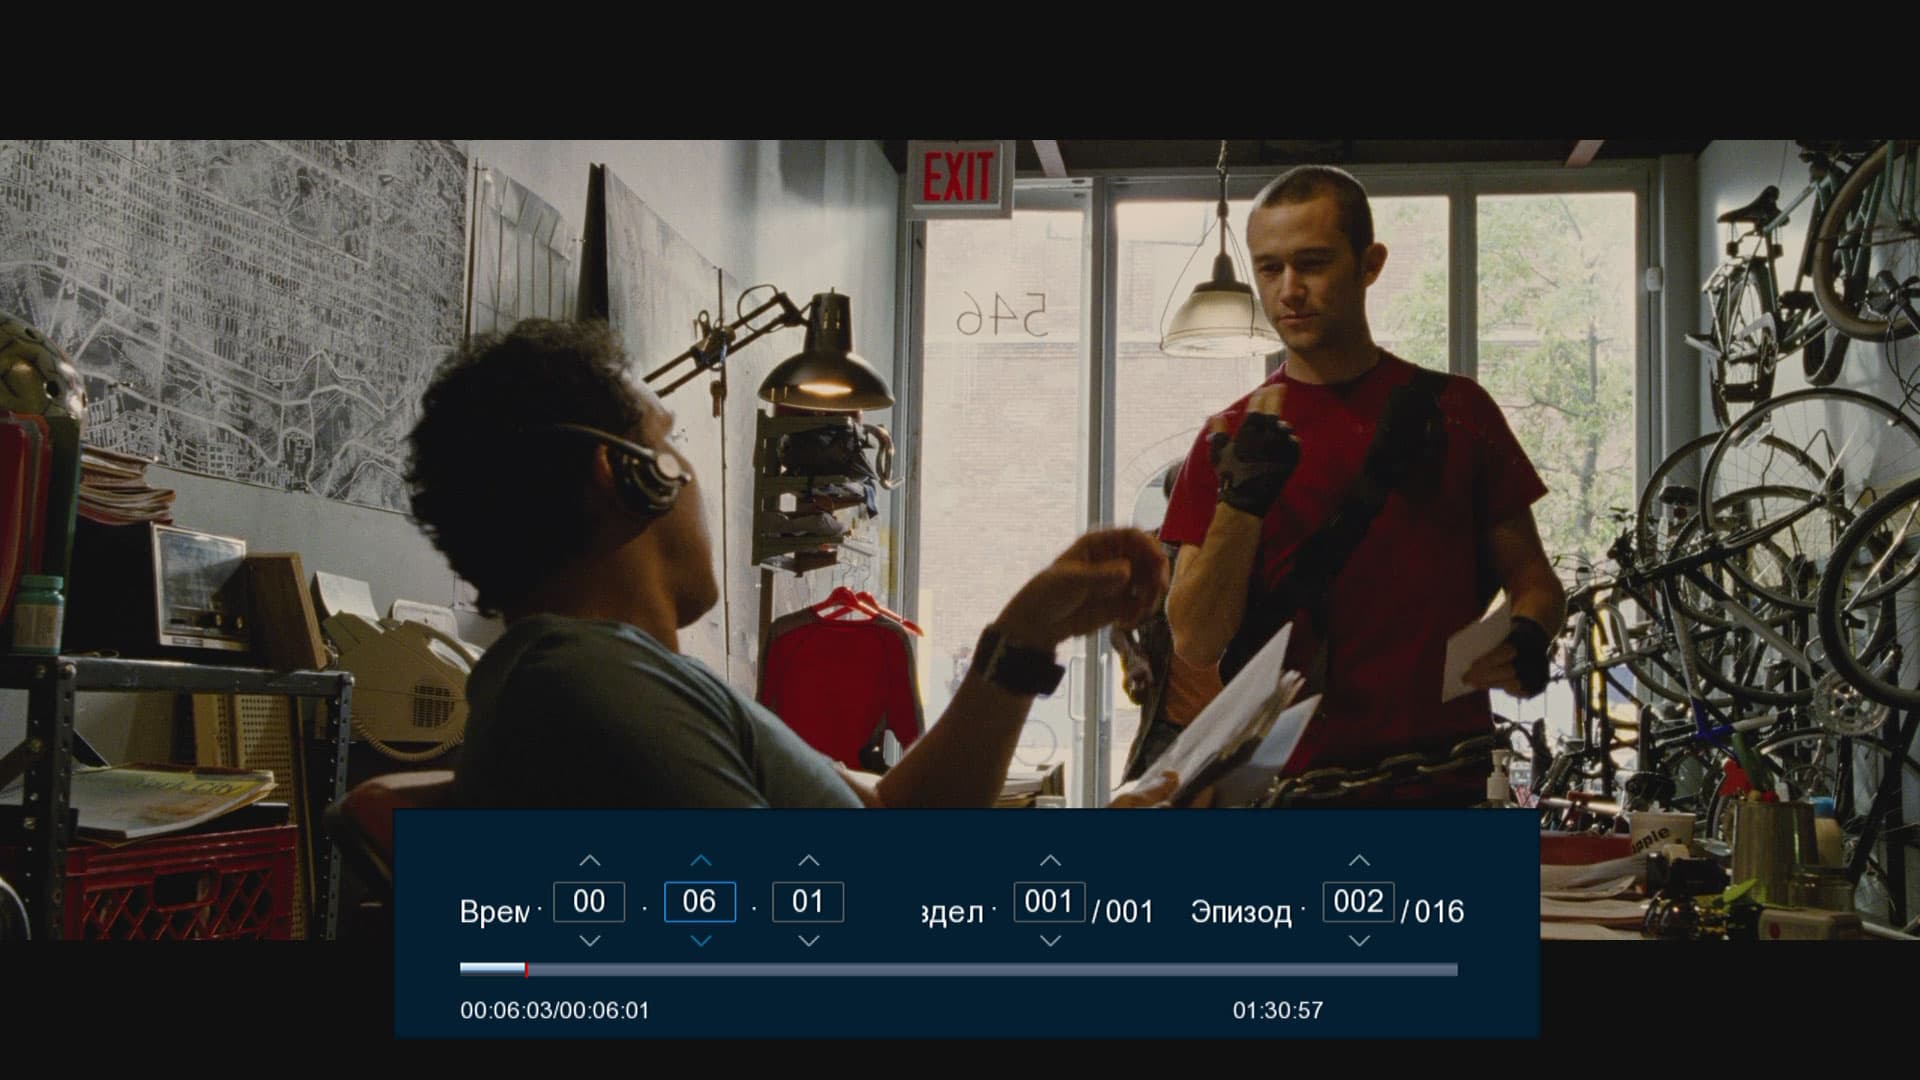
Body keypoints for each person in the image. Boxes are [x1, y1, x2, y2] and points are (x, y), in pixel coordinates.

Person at [406, 319, 1178, 810]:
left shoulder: (621, 679)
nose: (691, 473)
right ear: (629, 476)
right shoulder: (592, 687)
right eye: (670, 441)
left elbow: (895, 817)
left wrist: (1026, 635)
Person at [1162, 165, 1566, 807]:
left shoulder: (1458, 412)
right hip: (1285, 797)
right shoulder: (1229, 437)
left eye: (1313, 263)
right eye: (1269, 269)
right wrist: (1241, 503)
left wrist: (1529, 634)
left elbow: (1535, 581)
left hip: (1446, 789)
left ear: (1369, 264)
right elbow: (1195, 639)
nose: (1290, 290)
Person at [1113, 462, 1223, 783]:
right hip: (1169, 728)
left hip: (1230, 721)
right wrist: (1132, 658)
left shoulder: (1234, 552)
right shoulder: (1149, 554)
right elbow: (1116, 621)